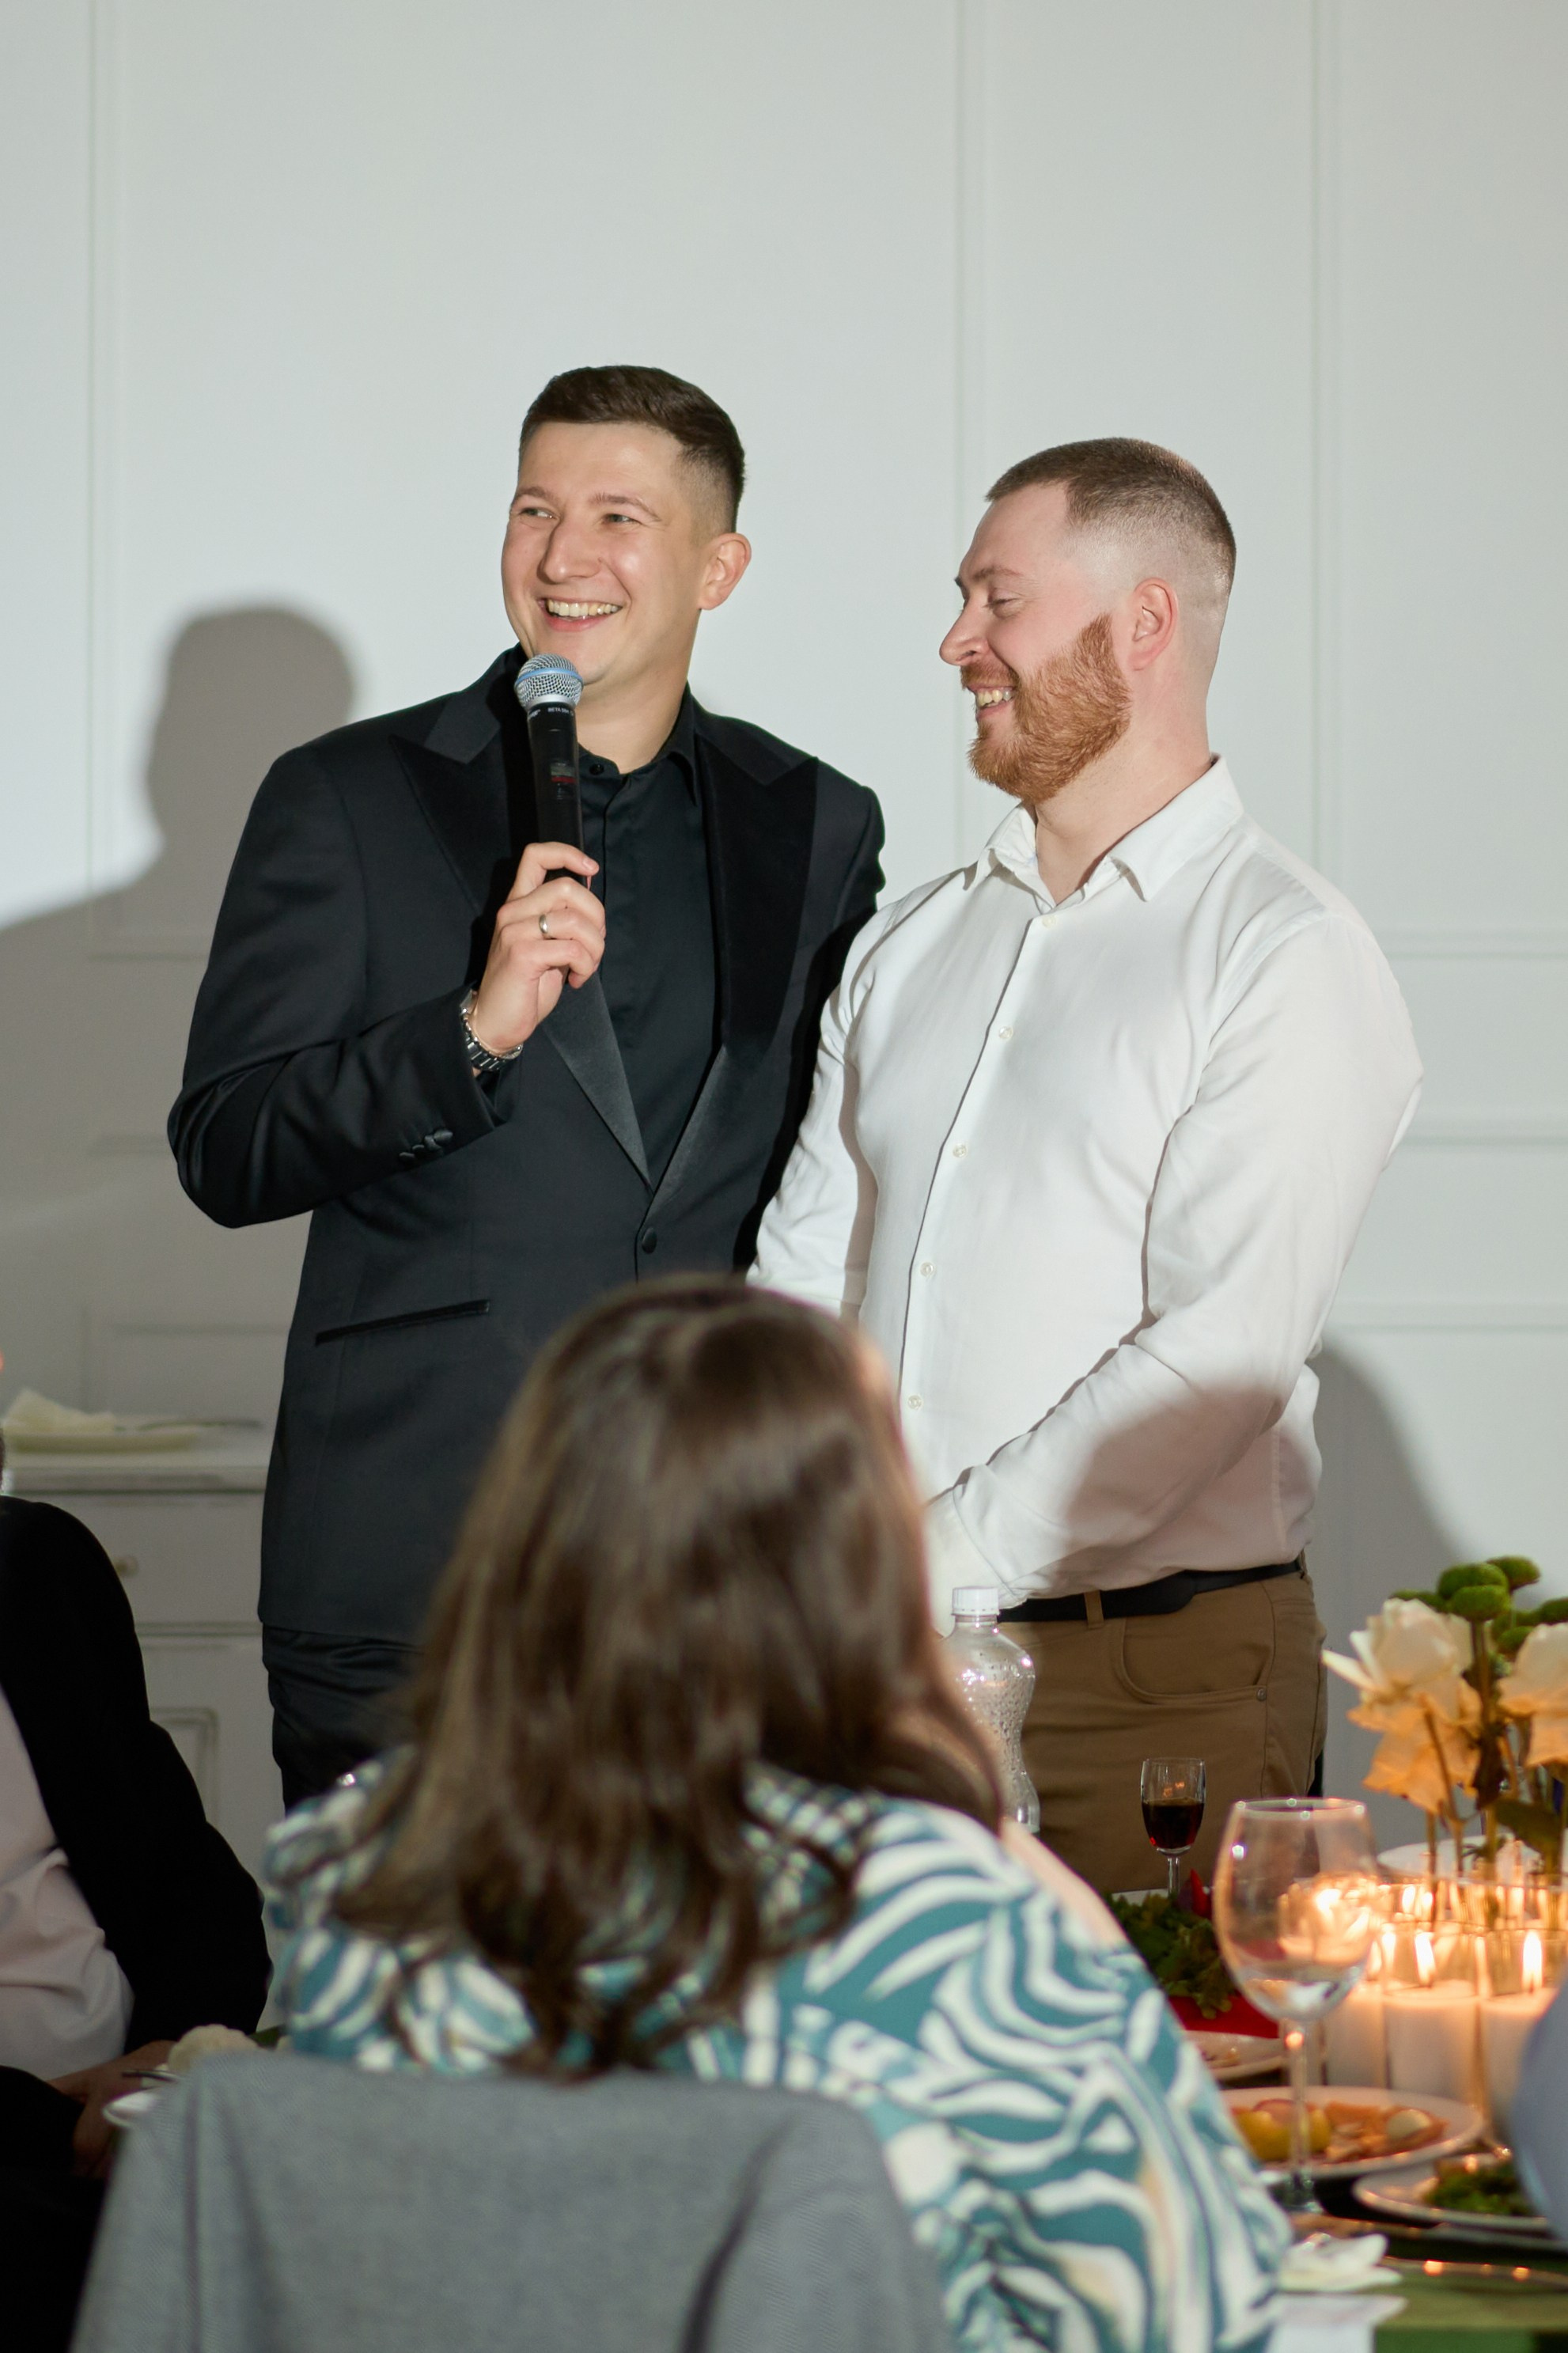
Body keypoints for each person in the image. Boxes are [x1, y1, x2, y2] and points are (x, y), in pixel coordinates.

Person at [267, 1279, 1287, 2352]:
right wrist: (1021, 1872)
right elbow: (1198, 2311)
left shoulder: (353, 1869)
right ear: (857, 1556)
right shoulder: (943, 1914)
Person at [169, 366, 884, 1809]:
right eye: (535, 509)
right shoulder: (347, 794)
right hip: (417, 1568)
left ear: (718, 566)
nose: (565, 557)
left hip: (711, 1578)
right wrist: (470, 1035)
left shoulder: (814, 817)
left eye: (620, 516)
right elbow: (226, 1145)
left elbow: (833, 1152)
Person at [751, 438, 1422, 1895]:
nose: (957, 641)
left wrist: (924, 1563)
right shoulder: (910, 942)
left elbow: (1218, 1350)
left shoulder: (1284, 952)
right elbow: (803, 1281)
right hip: (867, 1676)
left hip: (1153, 1683)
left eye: (998, 599)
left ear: (1144, 623)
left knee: (1173, 2045)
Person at [0, 1462, 271, 2351]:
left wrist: (168, 2058)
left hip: (136, 2117)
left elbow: (193, 1879)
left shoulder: (33, 1563)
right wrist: (67, 2123)